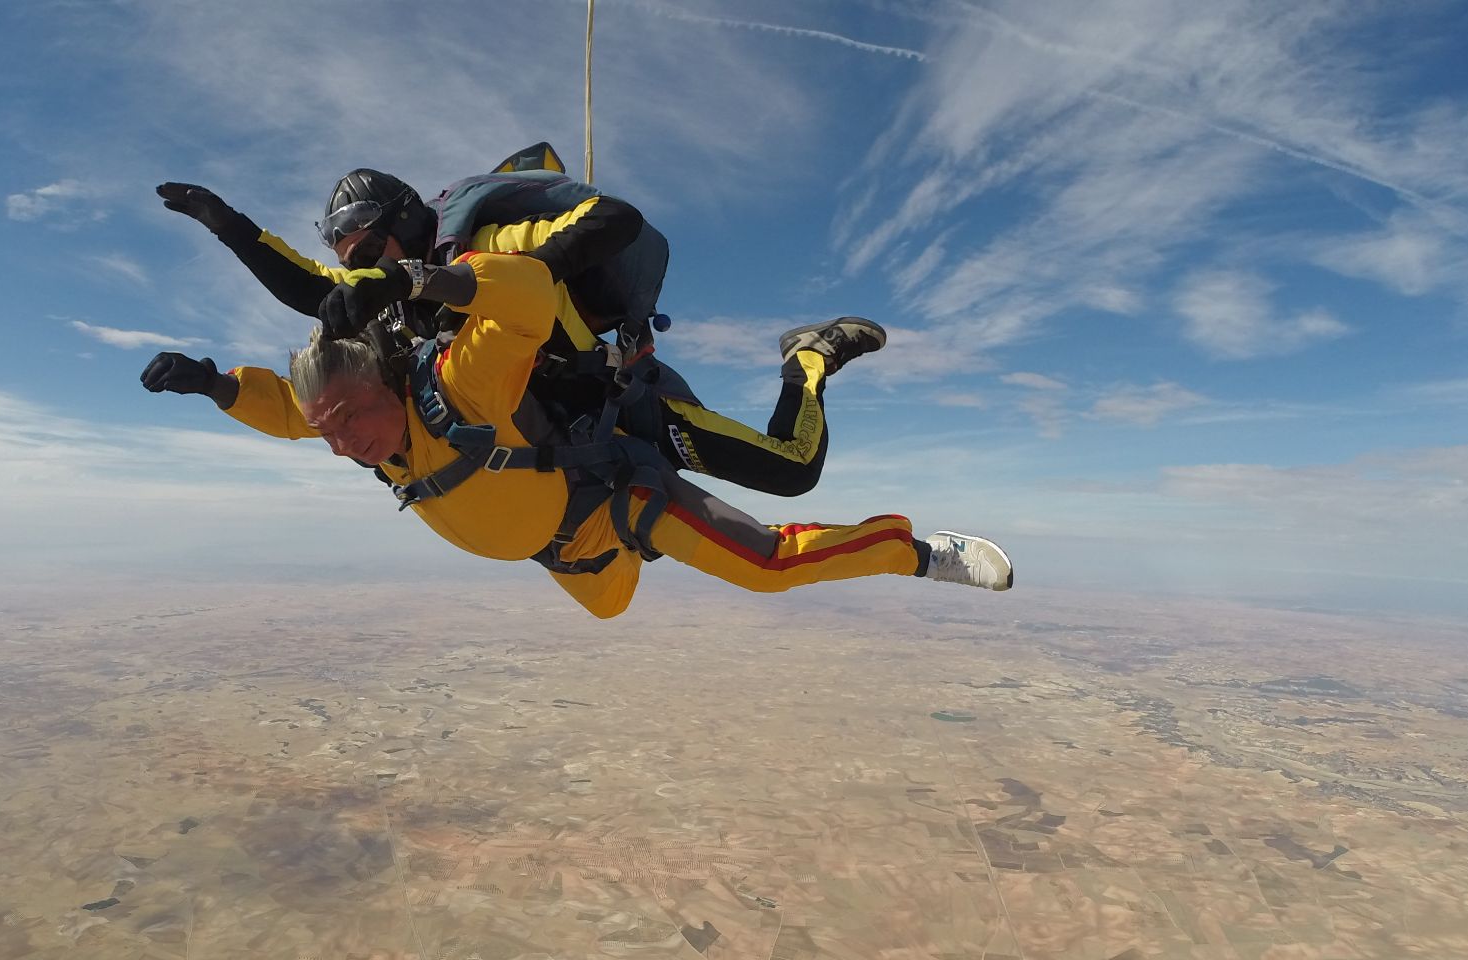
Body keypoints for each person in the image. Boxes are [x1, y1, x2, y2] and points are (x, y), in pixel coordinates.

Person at [139, 248, 1012, 619]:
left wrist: (421, 280)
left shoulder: (454, 388)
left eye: (347, 423)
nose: (338, 445)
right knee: (613, 605)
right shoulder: (373, 430)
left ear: (383, 384)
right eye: (328, 434)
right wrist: (215, 385)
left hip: (619, 500)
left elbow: (519, 299)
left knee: (770, 562)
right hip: (571, 552)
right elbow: (292, 413)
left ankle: (917, 552)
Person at [156, 157, 857, 498]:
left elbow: (616, 220)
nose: (364, 271)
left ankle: (807, 360)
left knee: (789, 471)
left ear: (403, 224)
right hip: (560, 429)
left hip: (617, 405)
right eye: (355, 263)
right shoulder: (396, 292)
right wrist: (230, 227)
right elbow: (315, 292)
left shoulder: (490, 240)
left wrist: (528, 271)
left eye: (370, 252)